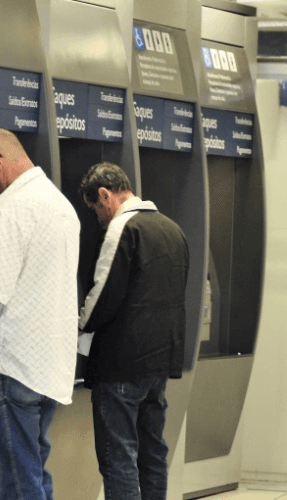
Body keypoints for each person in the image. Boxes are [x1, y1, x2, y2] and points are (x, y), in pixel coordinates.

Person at [0, 128, 80, 500]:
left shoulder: (15, 207)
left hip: (13, 366)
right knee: (33, 474)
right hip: (47, 366)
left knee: (15, 483)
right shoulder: (59, 204)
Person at [78, 162, 189, 500]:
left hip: (123, 363)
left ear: (104, 195)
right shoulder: (172, 228)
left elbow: (103, 294)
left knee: (118, 456)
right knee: (152, 451)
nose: (98, 217)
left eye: (95, 208)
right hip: (160, 361)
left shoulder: (122, 228)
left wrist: (78, 324)